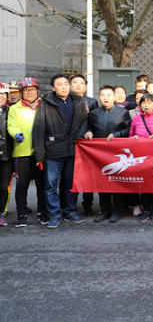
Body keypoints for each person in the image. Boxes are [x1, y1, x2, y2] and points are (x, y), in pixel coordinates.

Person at [32, 74, 89, 229]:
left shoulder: (78, 102)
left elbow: (85, 120)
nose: (64, 87)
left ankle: (70, 211)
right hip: (52, 151)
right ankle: (54, 214)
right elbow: (38, 131)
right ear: (53, 87)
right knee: (51, 186)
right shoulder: (45, 104)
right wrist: (39, 154)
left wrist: (79, 135)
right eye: (59, 84)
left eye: (66, 83)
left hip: (72, 150)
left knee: (71, 184)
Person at [84, 85, 131, 223]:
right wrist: (89, 132)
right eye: (103, 95)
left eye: (109, 95)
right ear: (99, 96)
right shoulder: (94, 113)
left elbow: (129, 130)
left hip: (117, 152)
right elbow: (89, 127)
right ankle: (104, 210)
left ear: (114, 97)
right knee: (102, 182)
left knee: (116, 182)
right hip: (99, 154)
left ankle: (116, 210)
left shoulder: (122, 112)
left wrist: (116, 134)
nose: (106, 97)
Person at [8, 79, 48, 227]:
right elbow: (11, 126)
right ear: (21, 93)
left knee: (41, 184)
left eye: (32, 89)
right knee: (22, 185)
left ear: (38, 91)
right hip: (22, 152)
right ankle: (21, 214)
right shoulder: (15, 109)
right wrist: (16, 134)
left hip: (41, 152)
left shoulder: (44, 106)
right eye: (26, 90)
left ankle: (42, 212)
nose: (30, 92)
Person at [130, 94, 153, 222]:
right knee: (144, 185)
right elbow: (130, 135)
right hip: (141, 157)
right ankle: (146, 210)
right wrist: (133, 138)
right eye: (144, 103)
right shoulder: (136, 118)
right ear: (139, 105)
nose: (146, 105)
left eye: (149, 102)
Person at [70, 74, 99, 216]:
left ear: (86, 86)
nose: (78, 85)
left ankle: (87, 205)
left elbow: (93, 122)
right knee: (69, 176)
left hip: (86, 144)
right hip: (70, 143)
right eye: (75, 82)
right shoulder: (66, 101)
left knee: (87, 175)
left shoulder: (92, 102)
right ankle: (68, 205)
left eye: (81, 83)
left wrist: (88, 131)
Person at [0, 83, 12, 226]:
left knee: (4, 186)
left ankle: (1, 213)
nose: (1, 97)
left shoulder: (11, 111)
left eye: (3, 94)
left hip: (7, 155)